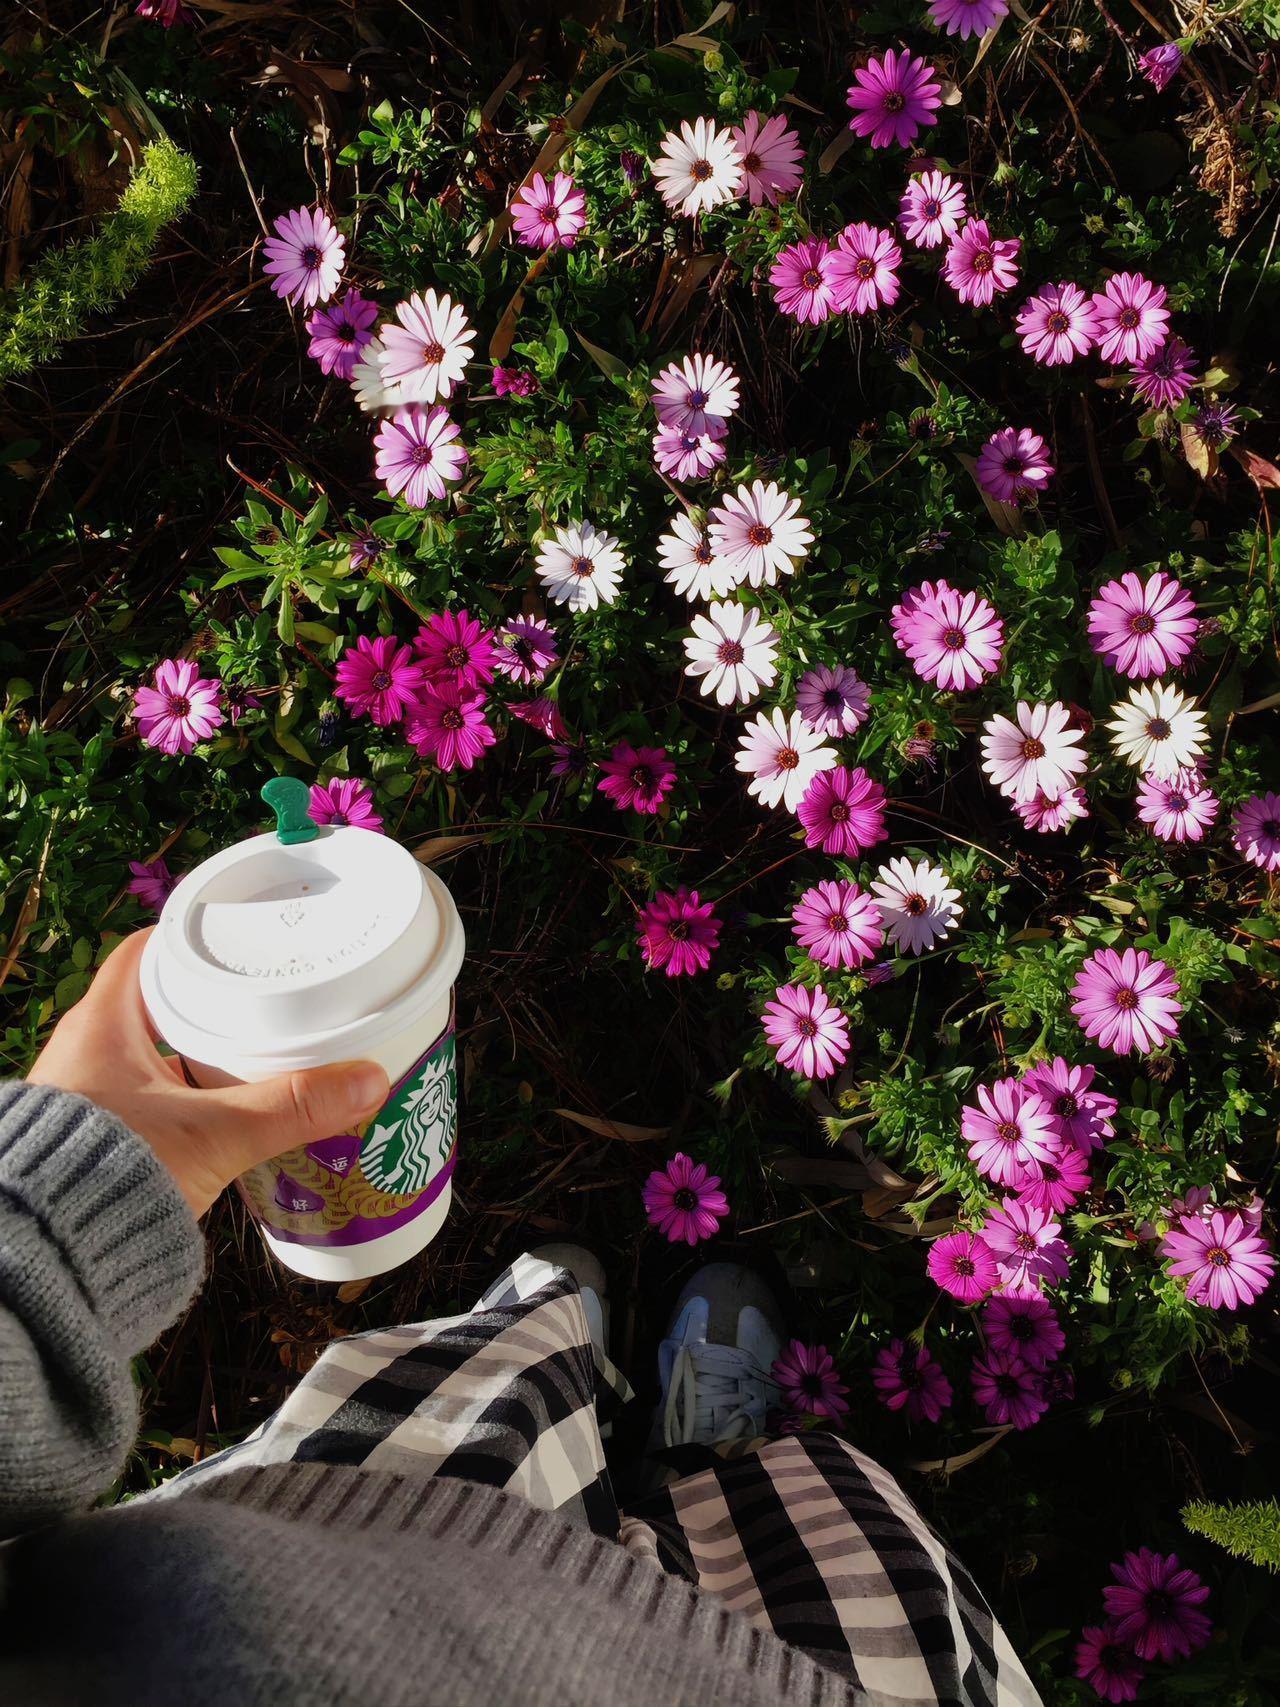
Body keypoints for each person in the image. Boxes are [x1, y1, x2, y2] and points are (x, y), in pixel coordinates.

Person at [0, 932, 1042, 1706]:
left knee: (494, 1407)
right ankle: (702, 1461)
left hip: (306, 1566)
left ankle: (553, 1362)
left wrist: (43, 1227)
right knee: (796, 1558)